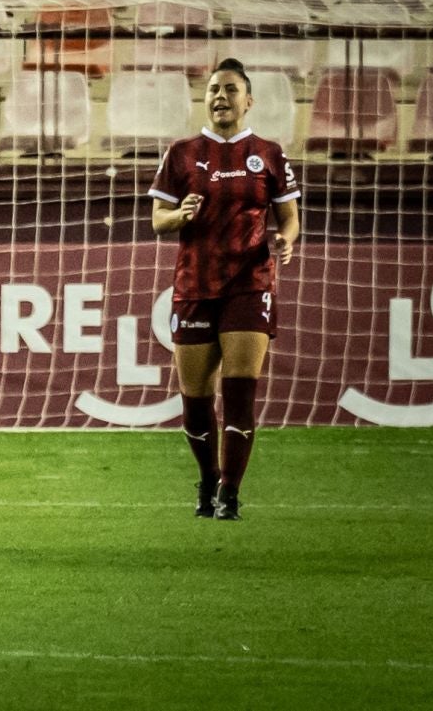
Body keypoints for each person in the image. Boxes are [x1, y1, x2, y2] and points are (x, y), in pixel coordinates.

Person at [149, 58, 300, 521]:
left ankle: (230, 493)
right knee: (195, 400)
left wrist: (286, 240)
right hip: (194, 287)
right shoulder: (180, 152)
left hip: (250, 285)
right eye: (214, 89)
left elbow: (289, 216)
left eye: (231, 90)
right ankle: (208, 479)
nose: (220, 96)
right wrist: (181, 216)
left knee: (240, 392)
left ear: (248, 100)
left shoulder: (269, 154)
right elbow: (158, 222)